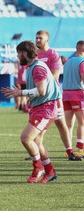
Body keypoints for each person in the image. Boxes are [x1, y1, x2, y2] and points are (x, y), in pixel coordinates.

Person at [1, 40, 58, 183]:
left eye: (18, 53)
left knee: (26, 138)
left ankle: (38, 167)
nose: (17, 57)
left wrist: (20, 92)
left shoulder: (38, 68)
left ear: (24, 53)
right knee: (37, 142)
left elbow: (41, 90)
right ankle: (50, 172)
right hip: (39, 108)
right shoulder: (32, 67)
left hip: (46, 109)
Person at [36, 30, 78, 160]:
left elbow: (55, 75)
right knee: (38, 125)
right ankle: (38, 151)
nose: (37, 40)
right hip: (38, 96)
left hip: (53, 95)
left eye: (40, 38)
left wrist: (43, 86)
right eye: (36, 38)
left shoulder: (53, 54)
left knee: (61, 123)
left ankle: (69, 151)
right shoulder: (34, 55)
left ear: (47, 40)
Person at [62, 41, 84, 158]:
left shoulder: (68, 62)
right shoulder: (82, 62)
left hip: (66, 94)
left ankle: (69, 150)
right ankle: (80, 148)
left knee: (69, 124)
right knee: (82, 122)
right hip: (77, 94)